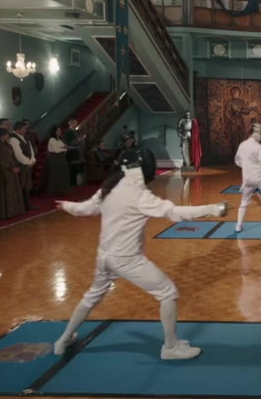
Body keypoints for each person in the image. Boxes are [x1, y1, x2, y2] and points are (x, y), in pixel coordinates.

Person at [52, 148, 230, 360]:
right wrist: (212, 208)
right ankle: (171, 348)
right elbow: (174, 213)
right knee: (168, 293)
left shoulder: (110, 187)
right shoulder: (138, 195)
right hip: (127, 260)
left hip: (104, 257)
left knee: (92, 296)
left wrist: (67, 205)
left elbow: (86, 209)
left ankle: (63, 340)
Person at [0, 127, 26, 220]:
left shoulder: (8, 145)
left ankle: (16, 210)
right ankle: (8, 212)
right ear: (0, 135)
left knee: (15, 190)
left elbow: (13, 157)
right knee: (7, 192)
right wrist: (10, 167)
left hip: (12, 170)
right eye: (6, 134)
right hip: (4, 171)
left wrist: (16, 166)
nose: (8, 136)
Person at [46, 124, 71, 196]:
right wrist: (64, 149)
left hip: (61, 158)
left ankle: (62, 190)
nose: (60, 132)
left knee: (62, 174)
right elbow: (56, 150)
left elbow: (63, 147)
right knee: (56, 174)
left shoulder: (59, 140)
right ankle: (55, 191)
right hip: (55, 158)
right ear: (54, 132)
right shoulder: (52, 139)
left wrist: (65, 148)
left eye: (60, 130)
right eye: (58, 130)